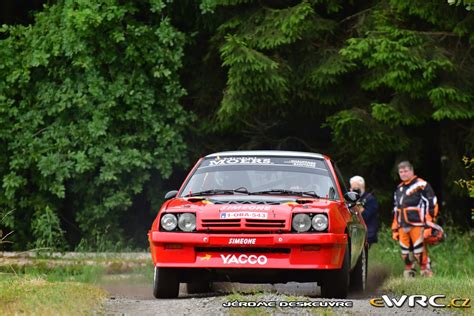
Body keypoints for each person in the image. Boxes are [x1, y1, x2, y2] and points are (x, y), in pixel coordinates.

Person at [391, 161, 439, 278]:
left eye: (406, 171)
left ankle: (426, 273)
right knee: (405, 253)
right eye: (401, 172)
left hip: (418, 224)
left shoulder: (422, 185)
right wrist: (395, 228)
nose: (403, 174)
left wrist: (429, 224)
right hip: (402, 225)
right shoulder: (399, 189)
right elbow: (396, 209)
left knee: (419, 252)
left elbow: (432, 204)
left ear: (412, 171)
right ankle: (409, 275)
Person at [350, 176, 379, 247]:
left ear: (362, 187)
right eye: (352, 188)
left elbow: (366, 216)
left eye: (356, 189)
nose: (353, 191)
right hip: (355, 233)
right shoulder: (351, 199)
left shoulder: (370, 199)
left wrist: (357, 205)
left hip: (367, 233)